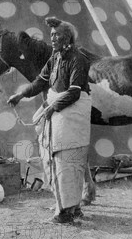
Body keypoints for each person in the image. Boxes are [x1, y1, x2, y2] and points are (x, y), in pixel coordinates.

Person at [8, 16, 92, 224]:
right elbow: (41, 81)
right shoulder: (55, 58)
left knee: (67, 159)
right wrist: (21, 95)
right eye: (52, 35)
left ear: (68, 38)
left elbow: (74, 92)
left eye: (58, 35)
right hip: (59, 110)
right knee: (51, 157)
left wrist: (52, 108)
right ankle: (69, 206)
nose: (53, 39)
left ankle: (66, 212)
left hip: (73, 113)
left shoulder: (78, 59)